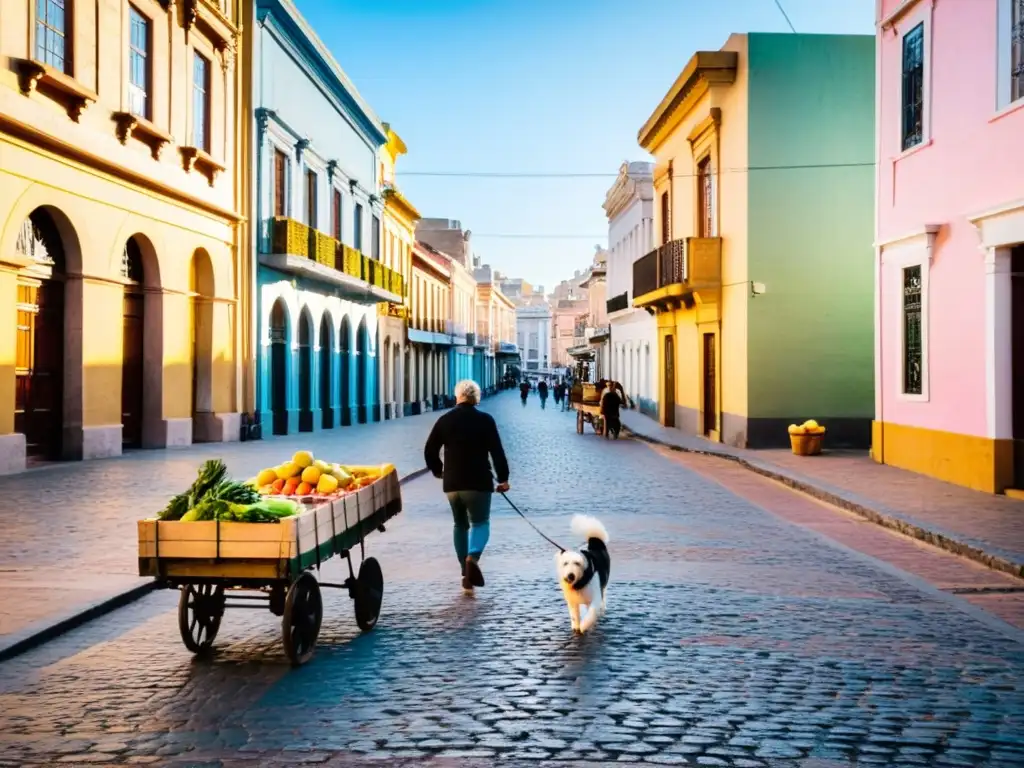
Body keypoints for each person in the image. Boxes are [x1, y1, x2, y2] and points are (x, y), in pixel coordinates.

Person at [424, 379, 510, 593]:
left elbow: (430, 449)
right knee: (480, 523)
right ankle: (473, 557)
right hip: (478, 482)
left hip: (452, 484)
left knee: (459, 525)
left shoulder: (445, 420)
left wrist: (438, 470)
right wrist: (503, 478)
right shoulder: (485, 420)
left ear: (457, 396)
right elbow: (497, 451)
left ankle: (465, 572)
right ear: (476, 398)